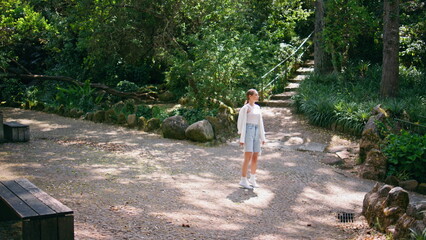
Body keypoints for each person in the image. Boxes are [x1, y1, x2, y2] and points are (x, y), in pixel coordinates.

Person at [237, 89, 266, 189]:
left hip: (256, 131)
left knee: (255, 155)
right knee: (248, 155)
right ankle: (243, 179)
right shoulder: (245, 108)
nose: (257, 96)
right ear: (250, 96)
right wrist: (241, 137)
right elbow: (240, 123)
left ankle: (253, 178)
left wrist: (262, 137)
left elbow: (260, 123)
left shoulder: (257, 107)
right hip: (248, 131)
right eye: (256, 95)